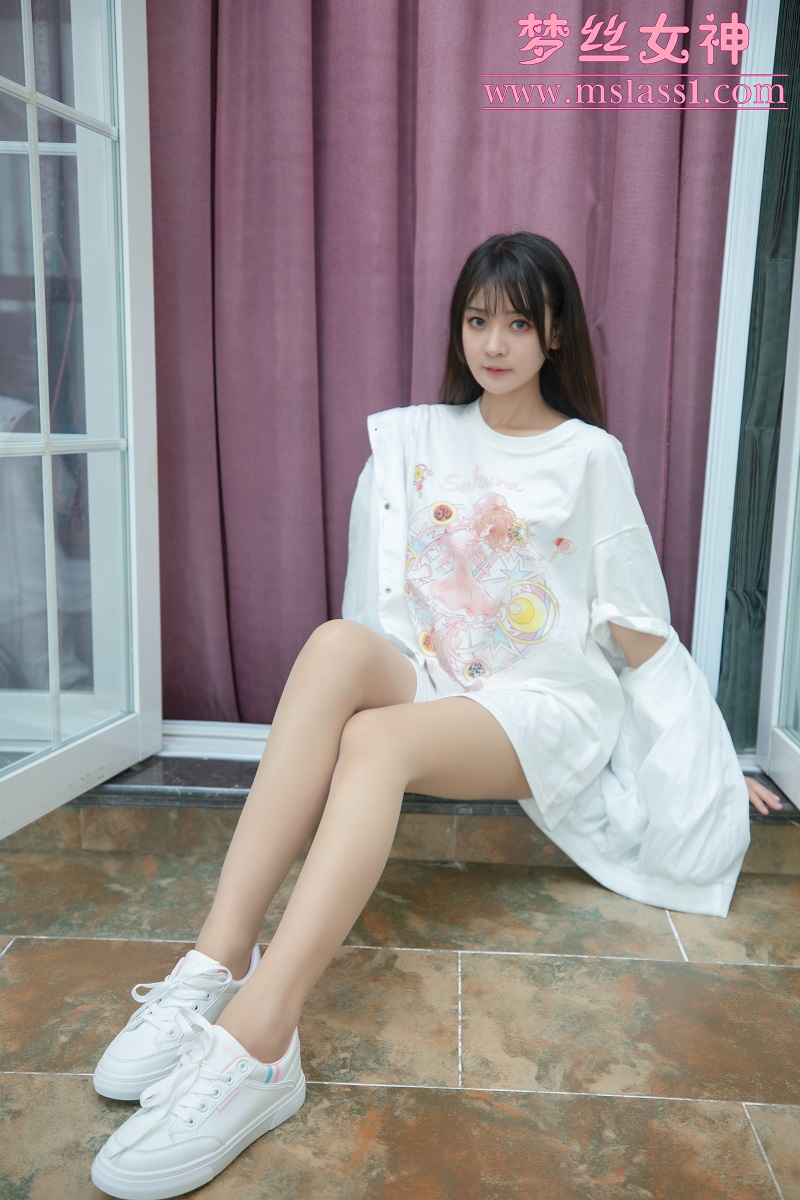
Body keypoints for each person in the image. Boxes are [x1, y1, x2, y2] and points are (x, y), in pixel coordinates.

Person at [90, 231, 782, 1199]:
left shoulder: (590, 457)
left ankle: (260, 1043)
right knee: (335, 645)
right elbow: (377, 613)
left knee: (375, 740)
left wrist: (708, 766)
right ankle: (216, 961)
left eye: (518, 324)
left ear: (554, 337)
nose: (493, 344)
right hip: (434, 678)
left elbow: (638, 633)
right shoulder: (414, 439)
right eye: (476, 320)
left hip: (541, 705)